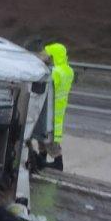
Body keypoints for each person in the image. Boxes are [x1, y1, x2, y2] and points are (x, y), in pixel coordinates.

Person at [41, 42, 74, 170]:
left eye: (50, 56)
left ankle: (57, 162)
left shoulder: (56, 72)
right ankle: (43, 158)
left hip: (52, 107)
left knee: (48, 136)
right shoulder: (68, 70)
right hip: (59, 107)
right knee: (48, 134)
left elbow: (46, 82)